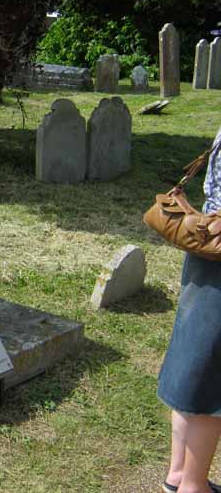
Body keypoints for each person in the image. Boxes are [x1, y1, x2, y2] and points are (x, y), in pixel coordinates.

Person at [158, 129, 221, 493]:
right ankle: (194, 486)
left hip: (205, 244)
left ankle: (178, 475)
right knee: (212, 381)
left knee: (192, 362)